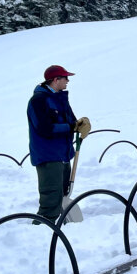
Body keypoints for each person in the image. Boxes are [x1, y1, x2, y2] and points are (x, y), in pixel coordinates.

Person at [27, 65, 89, 224]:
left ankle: (60, 231)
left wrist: (80, 124)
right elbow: (44, 128)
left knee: (62, 195)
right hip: (48, 156)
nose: (67, 81)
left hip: (63, 153)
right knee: (50, 200)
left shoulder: (60, 98)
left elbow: (71, 122)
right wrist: (70, 127)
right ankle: (39, 233)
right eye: (65, 78)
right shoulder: (38, 101)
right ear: (55, 80)